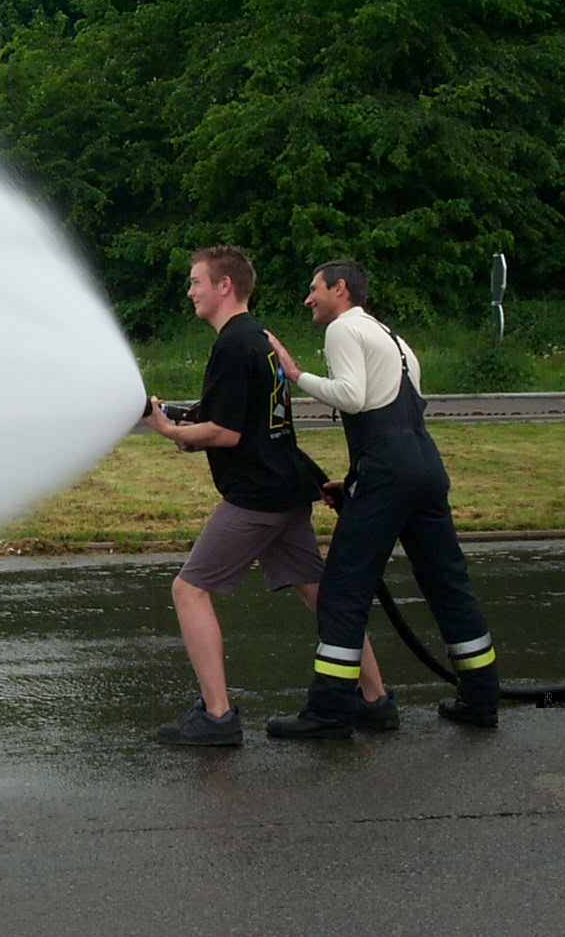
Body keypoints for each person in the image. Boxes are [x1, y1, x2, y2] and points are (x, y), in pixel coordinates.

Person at [142, 245, 394, 746]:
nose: (190, 292)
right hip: (286, 487)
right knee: (321, 595)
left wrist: (167, 430)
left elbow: (227, 432)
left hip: (257, 496)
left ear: (224, 286)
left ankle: (217, 716)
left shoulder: (232, 346)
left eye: (196, 282)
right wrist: (186, 422)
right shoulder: (258, 339)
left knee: (188, 590)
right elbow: (242, 415)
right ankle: (374, 699)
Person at [263, 258, 500, 738]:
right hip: (424, 469)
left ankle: (330, 711)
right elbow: (390, 412)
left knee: (342, 592)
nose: (308, 300)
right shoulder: (391, 337)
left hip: (388, 475)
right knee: (449, 587)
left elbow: (352, 397)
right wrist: (354, 481)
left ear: (340, 289)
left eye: (314, 289)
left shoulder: (343, 330)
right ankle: (481, 698)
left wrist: (295, 373)